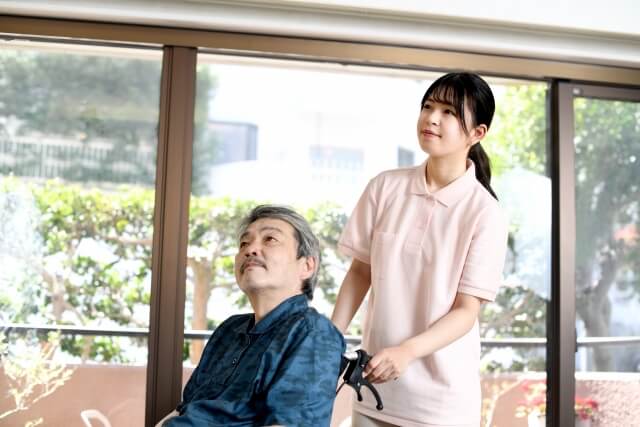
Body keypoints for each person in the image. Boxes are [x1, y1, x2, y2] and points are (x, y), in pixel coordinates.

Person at [331, 72, 508, 427]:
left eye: (449, 112)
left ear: (477, 133)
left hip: (442, 405)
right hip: (373, 393)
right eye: (428, 106)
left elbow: (466, 311)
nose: (432, 118)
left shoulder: (485, 212)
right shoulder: (385, 187)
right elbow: (360, 272)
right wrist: (327, 341)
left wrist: (407, 352)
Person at [159, 204, 345, 427]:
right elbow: (184, 408)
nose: (250, 250)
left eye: (270, 239)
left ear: (306, 266)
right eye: (244, 243)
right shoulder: (229, 330)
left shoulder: (312, 333)